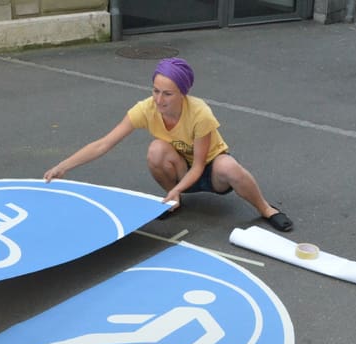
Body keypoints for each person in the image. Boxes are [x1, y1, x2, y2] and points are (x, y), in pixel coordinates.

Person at [44, 57, 293, 232]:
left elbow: (198, 167)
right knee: (156, 150)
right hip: (180, 168)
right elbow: (104, 144)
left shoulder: (200, 113)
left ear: (182, 93)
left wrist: (178, 187)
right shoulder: (145, 109)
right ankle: (175, 201)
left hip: (209, 169)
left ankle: (265, 209)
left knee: (230, 167)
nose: (159, 99)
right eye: (155, 91)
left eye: (167, 93)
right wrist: (63, 166)